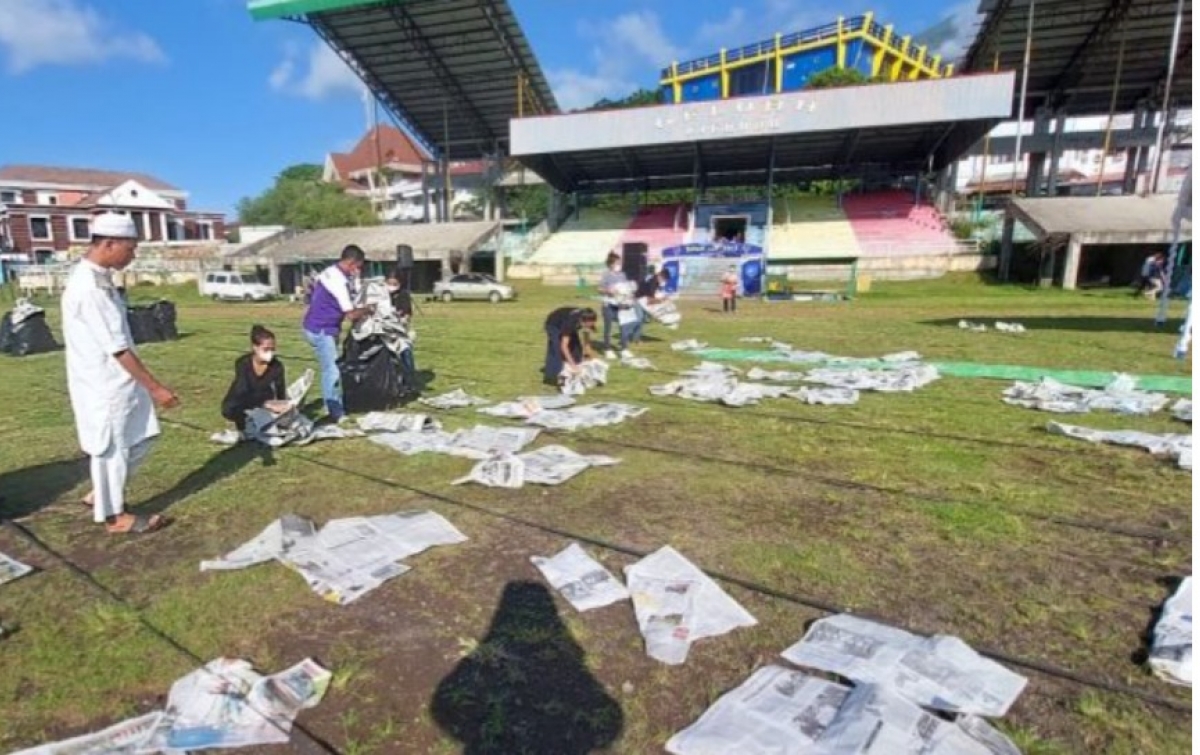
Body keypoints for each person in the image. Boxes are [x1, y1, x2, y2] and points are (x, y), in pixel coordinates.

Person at [62, 212, 178, 535]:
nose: (133, 254)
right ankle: (114, 516)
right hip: (105, 384)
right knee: (111, 448)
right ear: (110, 243)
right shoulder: (90, 288)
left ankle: (102, 494)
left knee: (144, 437)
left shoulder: (100, 278)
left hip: (121, 382)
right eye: (131, 247)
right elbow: (118, 348)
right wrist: (156, 388)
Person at [302, 244, 372, 422]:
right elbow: (351, 314)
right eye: (358, 267)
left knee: (330, 367)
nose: (358, 271)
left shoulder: (330, 272)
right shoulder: (338, 281)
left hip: (319, 326)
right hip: (322, 329)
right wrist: (368, 310)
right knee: (331, 370)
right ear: (351, 263)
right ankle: (335, 411)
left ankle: (333, 403)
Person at [221, 324, 290, 433]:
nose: (270, 353)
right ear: (255, 347)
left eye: (273, 349)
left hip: (265, 398)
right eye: (266, 349)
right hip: (242, 399)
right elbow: (242, 389)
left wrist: (283, 406)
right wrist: (264, 404)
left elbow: (280, 389)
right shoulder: (242, 363)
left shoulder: (277, 366)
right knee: (230, 409)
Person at [542, 307, 598, 386]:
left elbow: (586, 340)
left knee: (576, 349)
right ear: (583, 321)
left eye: (593, 322)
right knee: (556, 349)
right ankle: (553, 377)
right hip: (554, 324)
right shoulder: (570, 323)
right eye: (589, 323)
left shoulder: (587, 317)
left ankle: (575, 373)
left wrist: (590, 357)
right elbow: (564, 346)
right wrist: (573, 365)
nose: (591, 325)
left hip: (567, 322)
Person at [598, 252, 635, 360]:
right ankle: (607, 349)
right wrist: (608, 290)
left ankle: (624, 349)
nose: (619, 264)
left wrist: (630, 295)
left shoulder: (622, 275)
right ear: (611, 264)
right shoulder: (606, 274)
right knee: (608, 328)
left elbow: (626, 288)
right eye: (617, 262)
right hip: (608, 305)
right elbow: (599, 289)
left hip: (621, 305)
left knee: (624, 327)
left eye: (620, 262)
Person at [385, 267, 417, 386]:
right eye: (389, 283)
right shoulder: (381, 294)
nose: (391, 286)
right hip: (384, 330)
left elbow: (407, 314)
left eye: (395, 283)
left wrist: (401, 318)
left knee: (405, 350)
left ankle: (409, 380)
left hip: (400, 329)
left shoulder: (403, 295)